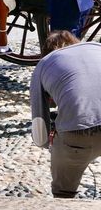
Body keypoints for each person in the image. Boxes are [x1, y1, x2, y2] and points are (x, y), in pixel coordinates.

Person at [30, 30, 101, 198]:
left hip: (79, 135)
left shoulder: (44, 64)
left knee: (63, 192)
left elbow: (40, 130)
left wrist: (50, 145)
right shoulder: (97, 47)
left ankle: (64, 197)